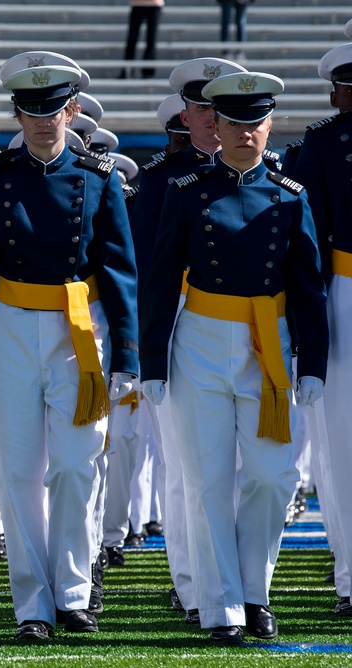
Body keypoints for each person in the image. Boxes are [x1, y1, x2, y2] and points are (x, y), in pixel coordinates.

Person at [0, 52, 137, 641]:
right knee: (18, 472)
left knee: (76, 463)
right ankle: (33, 602)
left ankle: (76, 591)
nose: (42, 121)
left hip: (79, 331)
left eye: (53, 109)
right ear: (16, 112)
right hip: (10, 325)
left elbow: (119, 270)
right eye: (30, 110)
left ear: (73, 109)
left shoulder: (98, 176)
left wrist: (128, 354)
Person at [141, 71, 327, 645]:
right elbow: (161, 277)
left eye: (256, 122)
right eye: (233, 123)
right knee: (206, 480)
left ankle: (255, 591)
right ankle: (223, 607)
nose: (246, 133)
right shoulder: (188, 190)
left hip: (268, 345)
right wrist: (151, 362)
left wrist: (313, 363)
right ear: (214, 127)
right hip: (200, 339)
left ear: (270, 125)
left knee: (273, 477)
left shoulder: (289, 195)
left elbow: (307, 286)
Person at [293, 42, 352, 617]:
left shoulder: (324, 140)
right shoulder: (323, 143)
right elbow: (308, 239)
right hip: (345, 286)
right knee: (338, 436)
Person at [121, 0, 163, 79]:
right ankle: (128, 70)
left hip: (154, 4)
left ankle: (148, 71)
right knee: (132, 39)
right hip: (138, 3)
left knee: (151, 39)